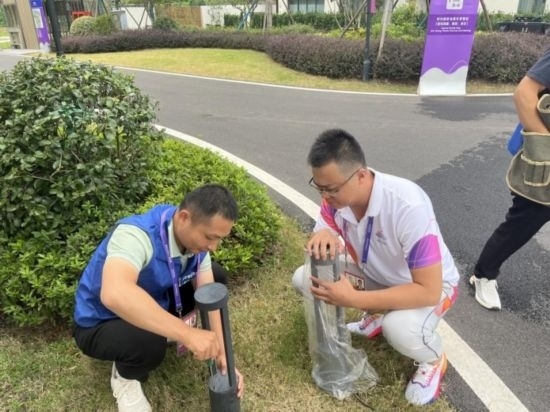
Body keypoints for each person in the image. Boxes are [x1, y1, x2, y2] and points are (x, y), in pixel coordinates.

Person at [292, 129, 460, 406]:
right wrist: (322, 234)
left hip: (431, 286)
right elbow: (325, 227)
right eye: (319, 187)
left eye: (331, 189)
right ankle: (378, 315)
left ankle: (432, 359)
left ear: (361, 175)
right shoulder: (335, 198)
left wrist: (355, 299)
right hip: (376, 275)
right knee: (305, 278)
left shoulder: (408, 206)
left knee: (400, 329)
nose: (325, 196)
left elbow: (428, 290)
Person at [73, 184, 244, 412]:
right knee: (150, 343)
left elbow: (209, 293)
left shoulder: (195, 242)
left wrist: (224, 356)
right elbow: (114, 293)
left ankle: (166, 330)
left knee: (216, 280)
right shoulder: (135, 235)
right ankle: (124, 377)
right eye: (210, 237)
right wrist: (186, 333)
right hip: (101, 321)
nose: (213, 247)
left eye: (219, 239)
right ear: (184, 218)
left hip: (154, 299)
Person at [471, 48, 550, 311]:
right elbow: (524, 93)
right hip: (544, 160)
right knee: (528, 217)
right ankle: (483, 274)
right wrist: (545, 148)